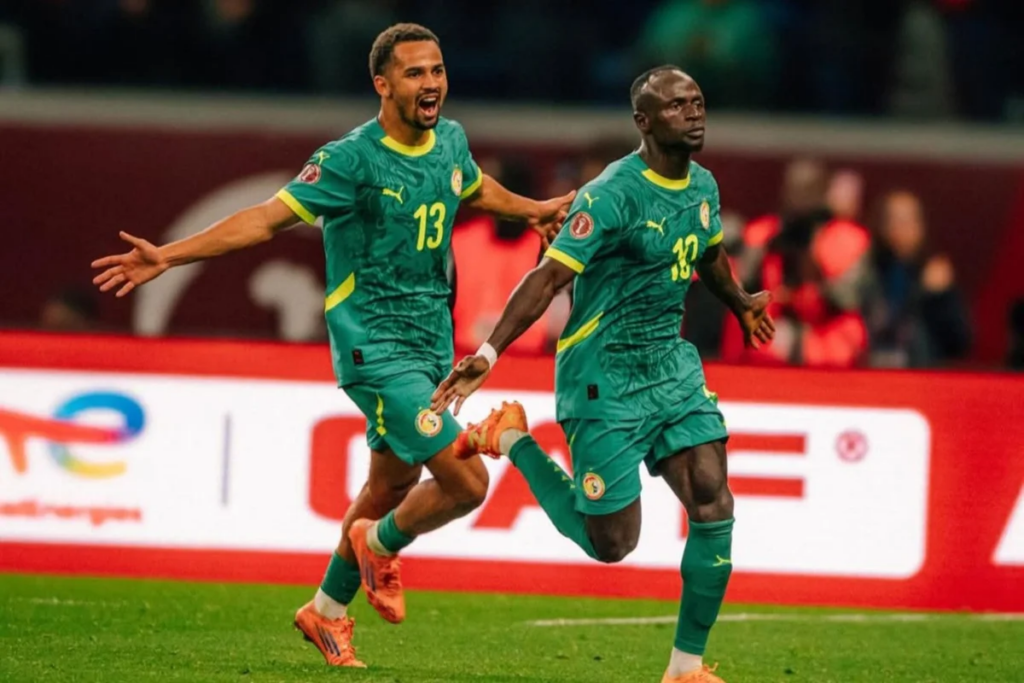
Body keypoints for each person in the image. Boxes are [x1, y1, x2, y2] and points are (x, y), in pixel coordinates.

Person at [90, 23, 572, 668]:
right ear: (382, 85)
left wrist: (532, 209)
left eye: (436, 70)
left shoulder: (451, 141)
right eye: (414, 73)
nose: (430, 83)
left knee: (389, 486)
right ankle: (381, 544)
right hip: (375, 348)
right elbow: (265, 218)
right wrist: (169, 257)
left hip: (431, 343)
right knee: (466, 482)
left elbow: (474, 187)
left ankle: (325, 610)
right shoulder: (350, 160)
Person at [433, 66, 774, 683]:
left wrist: (741, 302)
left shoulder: (703, 185)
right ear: (644, 121)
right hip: (603, 377)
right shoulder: (611, 194)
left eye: (697, 102)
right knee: (612, 544)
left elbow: (708, 253)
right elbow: (548, 277)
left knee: (713, 500)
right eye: (676, 106)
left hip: (669, 368)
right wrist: (489, 352)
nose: (693, 112)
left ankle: (685, 668)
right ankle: (512, 437)